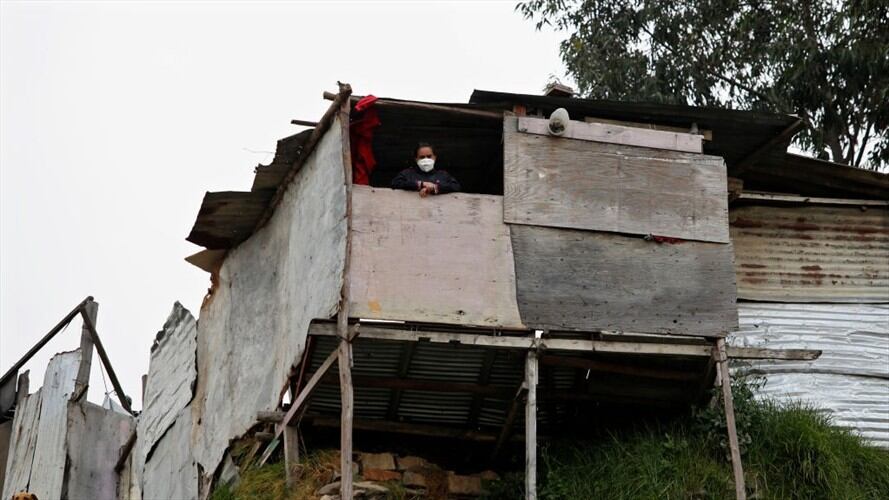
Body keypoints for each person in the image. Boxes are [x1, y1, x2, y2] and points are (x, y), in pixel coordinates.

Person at [390, 143, 461, 197]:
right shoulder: (407, 173)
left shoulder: (443, 175)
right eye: (422, 157)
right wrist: (421, 184)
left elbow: (456, 186)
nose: (426, 159)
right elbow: (395, 183)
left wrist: (434, 188)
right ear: (416, 159)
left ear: (435, 157)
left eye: (429, 156)